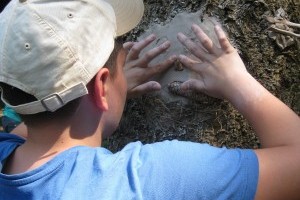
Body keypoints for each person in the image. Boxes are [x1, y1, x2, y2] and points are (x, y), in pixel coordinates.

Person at [0, 0, 299, 199]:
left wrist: (103, 96)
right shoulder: (147, 181)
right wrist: (238, 82)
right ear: (102, 86)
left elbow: (35, 129)